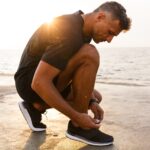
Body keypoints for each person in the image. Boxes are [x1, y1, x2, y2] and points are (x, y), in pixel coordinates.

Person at [14, 1, 131, 146]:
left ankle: (35, 107)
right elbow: (39, 82)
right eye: (110, 32)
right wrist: (77, 116)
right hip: (29, 83)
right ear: (100, 17)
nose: (109, 40)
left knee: (93, 97)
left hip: (39, 80)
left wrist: (92, 101)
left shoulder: (82, 28)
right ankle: (79, 128)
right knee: (90, 53)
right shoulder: (69, 30)